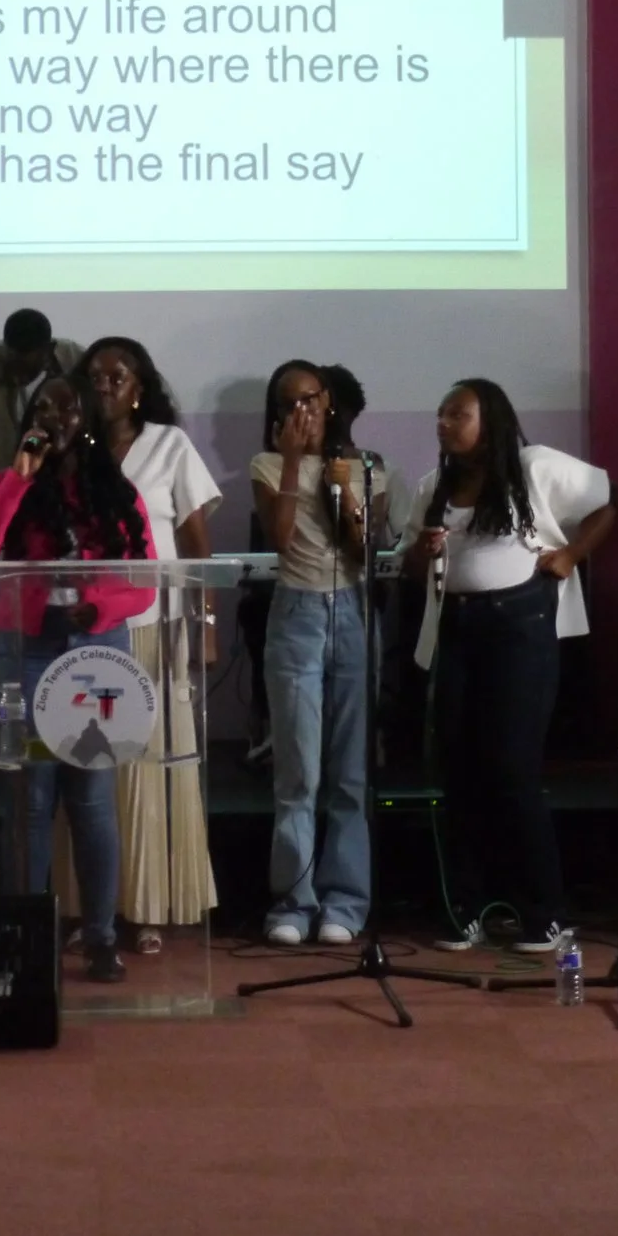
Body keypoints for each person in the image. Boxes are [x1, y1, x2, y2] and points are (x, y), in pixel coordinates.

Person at [400, 379, 613, 954]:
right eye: (441, 413)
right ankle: (465, 908)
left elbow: (607, 502)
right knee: (457, 771)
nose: (444, 423)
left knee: (512, 768)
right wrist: (422, 553)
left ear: (489, 421)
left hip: (519, 626)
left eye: (458, 414)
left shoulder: (533, 467)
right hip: (456, 629)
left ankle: (544, 912)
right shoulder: (433, 487)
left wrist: (570, 555)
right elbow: (412, 568)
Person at [0, 372, 155, 982]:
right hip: (27, 652)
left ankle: (100, 938)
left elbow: (145, 579)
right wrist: (18, 478)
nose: (55, 416)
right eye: (43, 406)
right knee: (29, 801)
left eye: (67, 408)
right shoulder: (11, 482)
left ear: (88, 419)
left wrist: (97, 606)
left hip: (96, 651)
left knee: (92, 801)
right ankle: (26, 936)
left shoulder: (116, 491)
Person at [80, 336, 220, 952]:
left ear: (140, 388)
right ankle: (95, 910)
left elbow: (196, 546)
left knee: (149, 769)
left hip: (156, 628)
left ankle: (149, 908)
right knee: (92, 770)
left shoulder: (169, 444)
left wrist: (206, 625)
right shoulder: (75, 449)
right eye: (95, 375)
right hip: (86, 629)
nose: (104, 385)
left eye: (118, 375)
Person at [251, 360, 380, 945]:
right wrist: (293, 462)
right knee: (298, 772)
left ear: (328, 401)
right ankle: (293, 902)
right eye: (288, 403)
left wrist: (343, 485)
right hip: (297, 613)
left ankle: (345, 903)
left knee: (350, 773)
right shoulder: (267, 465)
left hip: (352, 610)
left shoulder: (365, 465)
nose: (300, 411)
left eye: (308, 399)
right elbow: (279, 540)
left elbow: (364, 550)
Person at [0, 307, 83, 467]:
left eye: (26, 369)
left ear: (48, 350)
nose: (17, 376)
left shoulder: (76, 361)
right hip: (1, 473)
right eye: (12, 365)